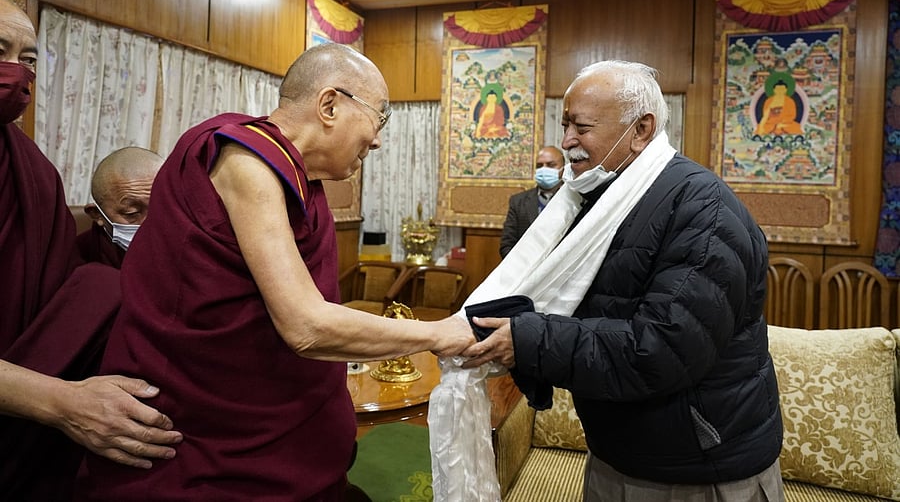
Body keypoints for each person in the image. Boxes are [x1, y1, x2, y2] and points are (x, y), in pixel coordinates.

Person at [76, 42, 475, 501]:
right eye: (380, 117)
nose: (379, 138)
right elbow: (305, 326)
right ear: (329, 104)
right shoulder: (246, 159)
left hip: (293, 440)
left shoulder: (303, 182)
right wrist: (441, 333)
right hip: (215, 458)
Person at [461, 60, 784, 501]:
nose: (567, 141)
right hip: (622, 451)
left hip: (695, 467)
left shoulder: (703, 210)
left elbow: (661, 349)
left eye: (582, 127)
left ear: (641, 129)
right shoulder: (599, 201)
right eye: (565, 125)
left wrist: (528, 339)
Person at [0, 0, 182, 500]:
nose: (17, 72)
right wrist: (62, 403)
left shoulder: (32, 173)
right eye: (1, 51)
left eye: (30, 59)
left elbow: (62, 317)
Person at [77, 146, 164, 268]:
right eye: (131, 213)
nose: (148, 224)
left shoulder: (189, 247)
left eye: (161, 208)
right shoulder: (77, 258)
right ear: (97, 214)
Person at [499, 145, 565, 258]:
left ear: (563, 168)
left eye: (551, 165)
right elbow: (507, 245)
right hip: (525, 269)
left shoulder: (576, 199)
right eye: (539, 166)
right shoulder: (518, 202)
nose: (544, 169)